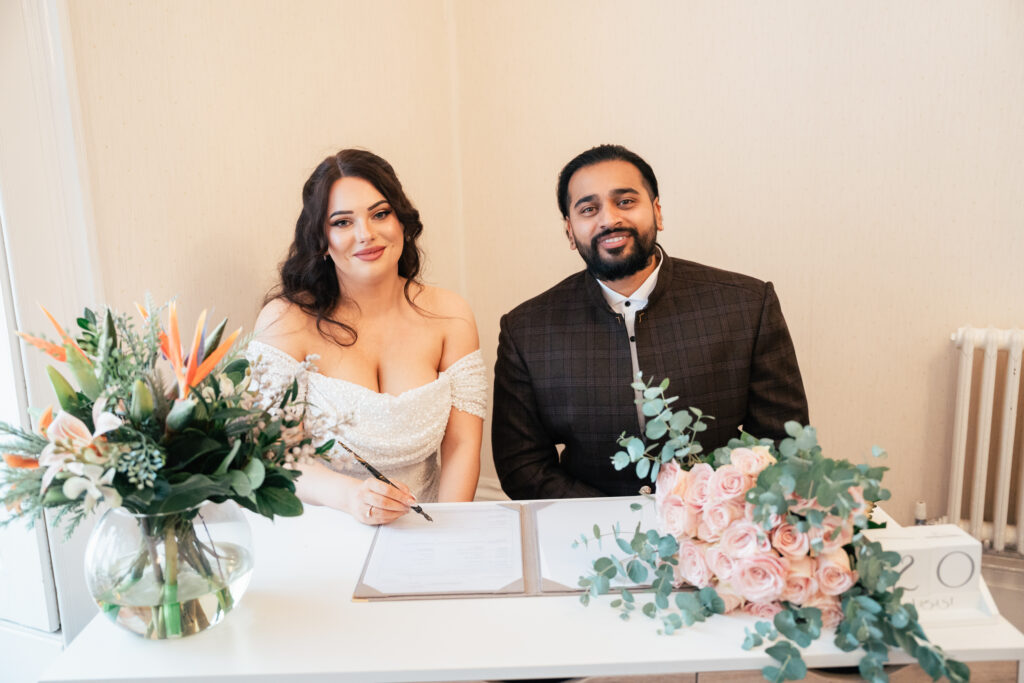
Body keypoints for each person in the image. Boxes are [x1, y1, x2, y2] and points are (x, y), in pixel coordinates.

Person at [492, 144, 808, 499]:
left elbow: (783, 441)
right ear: (569, 230)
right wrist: (611, 523)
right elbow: (522, 465)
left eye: (625, 202)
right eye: (589, 209)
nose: (609, 219)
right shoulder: (527, 329)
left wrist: (712, 516)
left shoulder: (747, 305)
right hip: (585, 533)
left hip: (718, 528)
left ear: (657, 211)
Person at [249, 149, 486, 524]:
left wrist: (447, 532)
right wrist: (349, 497)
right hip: (319, 530)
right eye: (343, 222)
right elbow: (271, 455)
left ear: (402, 222)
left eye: (380, 214)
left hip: (424, 526)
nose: (367, 234)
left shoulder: (450, 315)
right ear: (321, 240)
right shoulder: (285, 321)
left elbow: (462, 445)